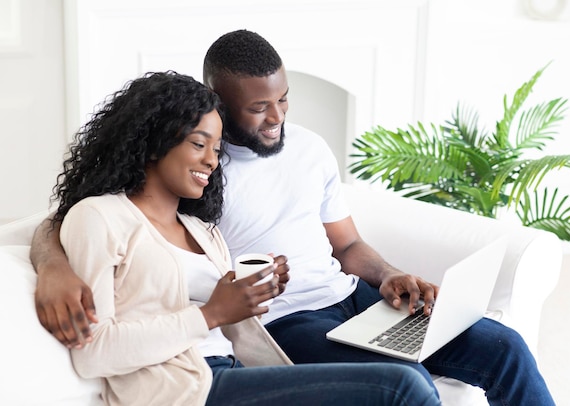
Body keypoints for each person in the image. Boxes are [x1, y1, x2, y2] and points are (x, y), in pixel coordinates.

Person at [31, 30, 555, 405]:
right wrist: (54, 265)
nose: (277, 117)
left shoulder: (305, 150)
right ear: (217, 99)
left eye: (283, 99)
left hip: (351, 296)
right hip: (290, 323)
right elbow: (83, 213)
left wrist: (389, 275)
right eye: (259, 107)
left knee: (503, 346)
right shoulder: (190, 174)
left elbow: (348, 247)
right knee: (405, 378)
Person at [44, 70, 440, 406]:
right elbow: (94, 353)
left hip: (238, 370)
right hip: (190, 390)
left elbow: (229, 327)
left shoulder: (202, 230)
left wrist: (251, 297)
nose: (212, 160)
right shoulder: (100, 216)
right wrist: (212, 313)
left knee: (413, 375)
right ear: (152, 142)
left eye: (216, 148)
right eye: (199, 144)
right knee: (402, 386)